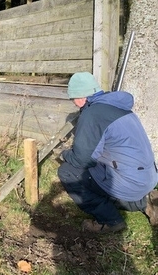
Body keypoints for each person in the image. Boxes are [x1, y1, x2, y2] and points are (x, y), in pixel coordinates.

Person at [57, 72, 158, 234]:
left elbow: (82, 160)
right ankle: (144, 202)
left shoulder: (92, 114)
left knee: (68, 171)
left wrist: (64, 154)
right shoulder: (118, 107)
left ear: (81, 97)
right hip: (147, 178)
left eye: (73, 98)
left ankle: (110, 220)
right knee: (101, 172)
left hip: (129, 182)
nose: (75, 104)